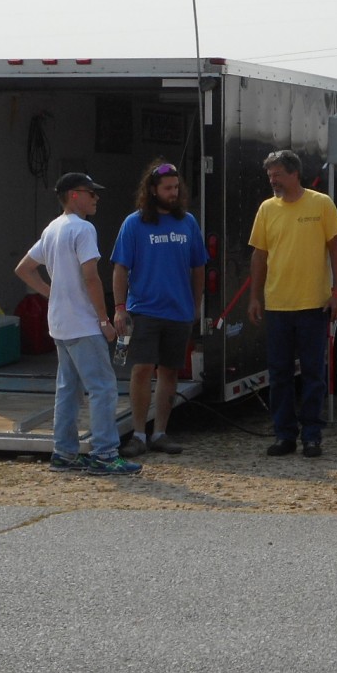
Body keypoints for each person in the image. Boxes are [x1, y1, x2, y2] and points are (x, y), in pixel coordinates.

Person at [15, 173, 141, 476]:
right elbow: (91, 277)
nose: (96, 198)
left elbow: (24, 269)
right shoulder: (83, 228)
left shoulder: (52, 228)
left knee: (68, 390)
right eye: (91, 193)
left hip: (60, 324)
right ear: (74, 195)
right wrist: (104, 319)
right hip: (83, 324)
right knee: (103, 388)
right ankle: (105, 454)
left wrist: (52, 292)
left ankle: (64, 453)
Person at [247, 149, 337, 458]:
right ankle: (284, 435)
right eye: (270, 175)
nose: (272, 180)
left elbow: (336, 249)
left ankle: (312, 436)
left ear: (294, 174)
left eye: (277, 174)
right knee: (279, 374)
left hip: (313, 305)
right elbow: (259, 255)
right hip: (278, 305)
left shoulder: (321, 204)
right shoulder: (267, 209)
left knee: (313, 374)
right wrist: (254, 297)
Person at [110, 160, 209, 458]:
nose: (173, 193)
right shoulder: (134, 223)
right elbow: (120, 268)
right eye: (167, 188)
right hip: (144, 311)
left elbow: (199, 267)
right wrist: (119, 308)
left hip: (178, 312)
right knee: (141, 369)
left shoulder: (188, 222)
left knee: (169, 372)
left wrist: (196, 305)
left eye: (176, 187)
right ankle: (138, 434)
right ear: (152, 190)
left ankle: (161, 433)